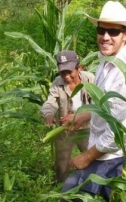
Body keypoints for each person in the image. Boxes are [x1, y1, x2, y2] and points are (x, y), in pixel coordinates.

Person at [61, 1, 126, 201]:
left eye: (114, 32)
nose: (105, 37)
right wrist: (84, 116)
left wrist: (86, 157)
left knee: (71, 193)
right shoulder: (105, 60)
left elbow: (118, 130)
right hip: (100, 147)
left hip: (111, 156)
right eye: (102, 30)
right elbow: (105, 105)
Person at [40, 50, 95, 183]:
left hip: (87, 127)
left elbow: (97, 104)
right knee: (62, 161)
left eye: (69, 72)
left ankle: (93, 184)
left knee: (91, 157)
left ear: (79, 68)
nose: (66, 76)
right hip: (65, 128)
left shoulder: (91, 79)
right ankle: (60, 186)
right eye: (62, 72)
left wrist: (84, 116)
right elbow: (50, 101)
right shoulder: (57, 83)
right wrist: (48, 113)